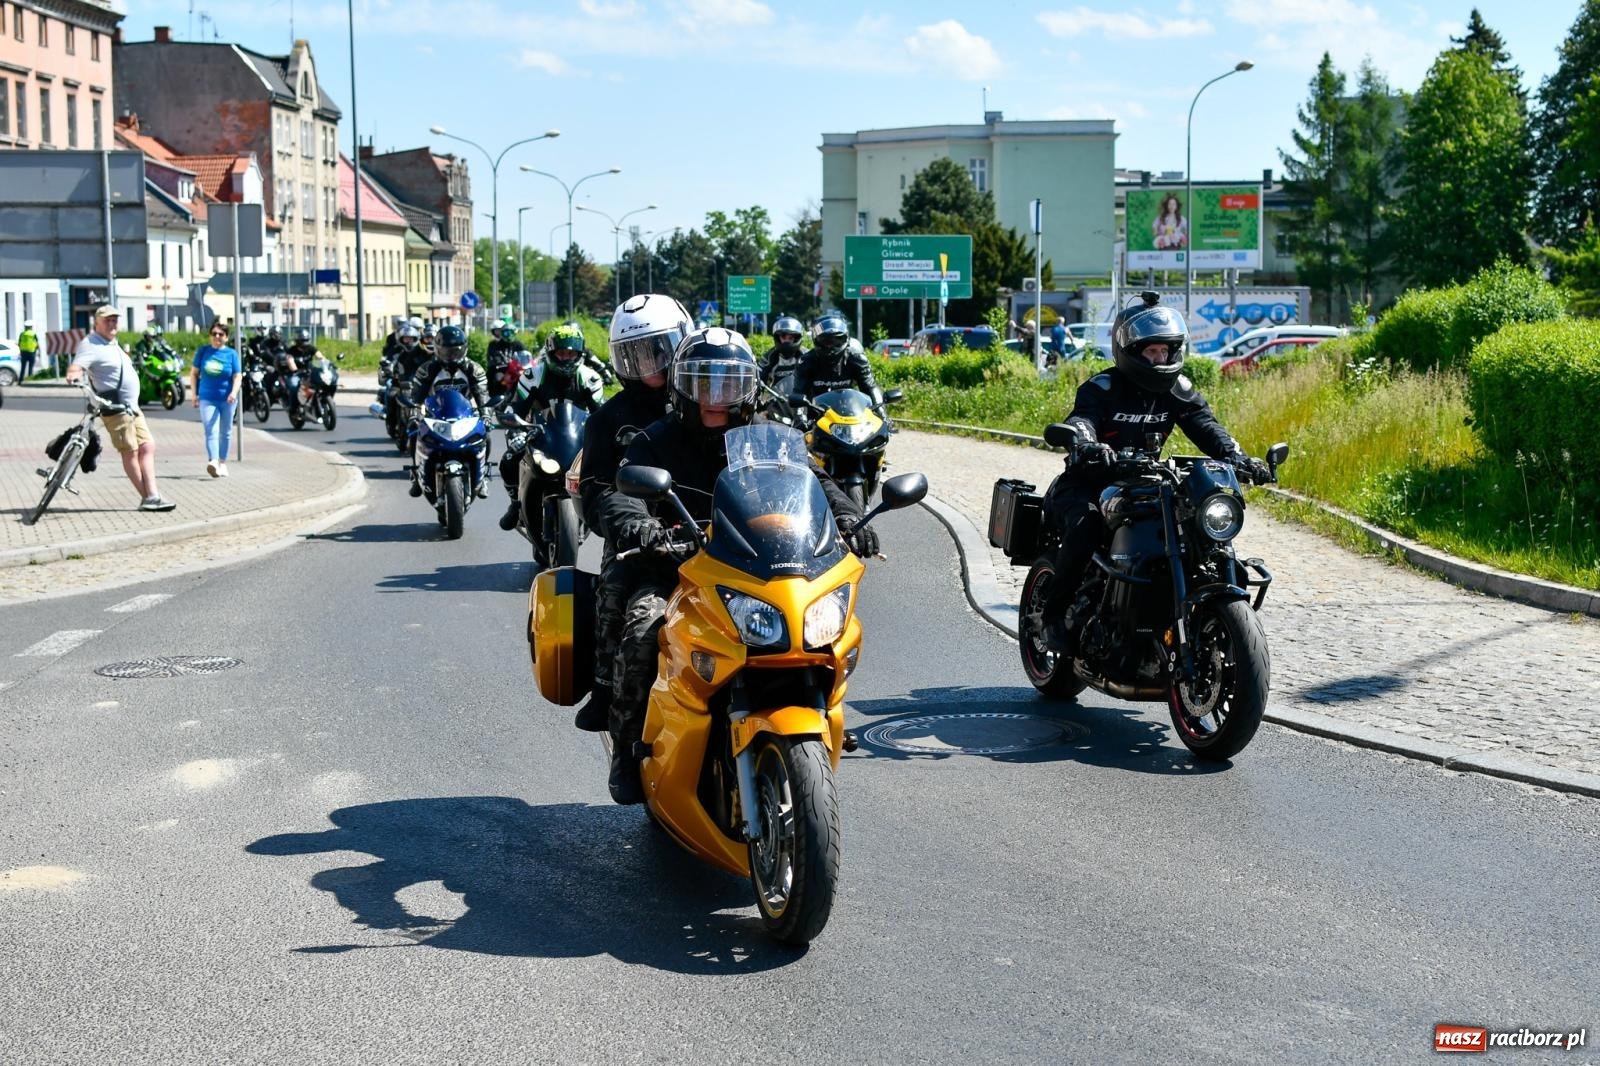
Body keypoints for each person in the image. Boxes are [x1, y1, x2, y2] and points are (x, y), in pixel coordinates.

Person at [597, 327, 877, 803]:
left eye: (728, 385)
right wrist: (641, 526)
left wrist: (849, 517)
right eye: (704, 384)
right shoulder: (655, 440)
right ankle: (628, 747)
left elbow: (813, 479)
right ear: (683, 387)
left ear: (747, 388)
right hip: (679, 570)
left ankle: (819, 712)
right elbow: (621, 494)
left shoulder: (769, 439)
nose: (715, 398)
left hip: (754, 568)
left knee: (826, 624)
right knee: (644, 628)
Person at [1040, 292, 1271, 651]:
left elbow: (1206, 427)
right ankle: (1053, 618)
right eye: (1151, 351)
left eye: (1166, 351)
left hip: (1145, 485)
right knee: (1086, 529)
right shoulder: (1103, 387)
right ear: (1130, 351)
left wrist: (1240, 459)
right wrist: (1087, 445)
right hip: (1088, 483)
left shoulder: (1176, 390)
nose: (1160, 358)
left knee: (1196, 531)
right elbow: (1081, 420)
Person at [574, 293, 691, 734]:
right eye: (636, 354)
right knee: (616, 591)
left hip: (719, 532)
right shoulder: (610, 418)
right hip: (645, 537)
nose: (650, 365)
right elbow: (596, 487)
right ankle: (608, 690)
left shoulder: (709, 396)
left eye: (659, 350)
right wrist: (631, 525)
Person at [494, 322, 606, 529]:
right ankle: (516, 504)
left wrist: (605, 437)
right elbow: (516, 409)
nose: (566, 358)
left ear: (580, 353)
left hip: (577, 437)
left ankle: (598, 506)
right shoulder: (533, 376)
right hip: (540, 435)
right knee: (509, 460)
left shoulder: (590, 378)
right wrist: (517, 429)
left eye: (571, 354)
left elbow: (602, 414)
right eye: (561, 353)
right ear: (551, 352)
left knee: (607, 465)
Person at [65, 305, 175, 512]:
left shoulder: (112, 343)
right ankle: (150, 497)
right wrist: (73, 374)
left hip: (132, 407)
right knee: (130, 451)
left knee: (148, 446)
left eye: (115, 320)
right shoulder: (91, 344)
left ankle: (152, 495)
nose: (112, 323)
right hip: (114, 407)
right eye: (107, 320)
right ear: (96, 323)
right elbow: (77, 366)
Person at [408, 323, 490, 498]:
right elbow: (416, 396)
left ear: (464, 349)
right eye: (447, 351)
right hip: (435, 415)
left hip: (465, 415)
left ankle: (482, 478)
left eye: (456, 351)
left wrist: (486, 415)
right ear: (438, 350)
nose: (452, 355)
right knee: (414, 434)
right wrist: (414, 413)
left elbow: (482, 395)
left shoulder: (474, 369)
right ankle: (416, 475)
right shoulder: (427, 369)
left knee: (486, 436)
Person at [792, 312, 883, 408]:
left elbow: (870, 387)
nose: (831, 347)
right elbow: (799, 392)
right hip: (816, 415)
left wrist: (881, 412)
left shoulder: (857, 359)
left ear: (846, 339)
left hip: (851, 413)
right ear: (816, 340)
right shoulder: (806, 362)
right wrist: (800, 418)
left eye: (837, 341)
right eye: (826, 342)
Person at [190, 323, 242, 477]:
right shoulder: (203, 352)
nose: (217, 337)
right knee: (210, 429)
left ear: (226, 337)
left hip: (227, 400)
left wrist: (233, 392)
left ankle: (222, 462)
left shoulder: (231, 354)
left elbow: (237, 375)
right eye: (214, 334)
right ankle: (213, 461)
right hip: (207, 398)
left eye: (220, 334)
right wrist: (194, 395)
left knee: (225, 432)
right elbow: (193, 374)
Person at [759, 315, 807, 391]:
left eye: (790, 338)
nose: (786, 341)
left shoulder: (805, 355)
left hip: (801, 398)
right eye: (783, 337)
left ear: (796, 338)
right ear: (777, 338)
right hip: (777, 400)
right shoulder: (769, 356)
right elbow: (758, 378)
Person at [485, 321, 527, 404]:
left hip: (516, 370)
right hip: (502, 370)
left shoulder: (518, 344)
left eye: (510, 332)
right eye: (505, 333)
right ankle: (497, 400)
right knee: (498, 378)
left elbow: (525, 356)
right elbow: (493, 358)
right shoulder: (495, 344)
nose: (508, 335)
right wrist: (499, 362)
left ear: (515, 333)